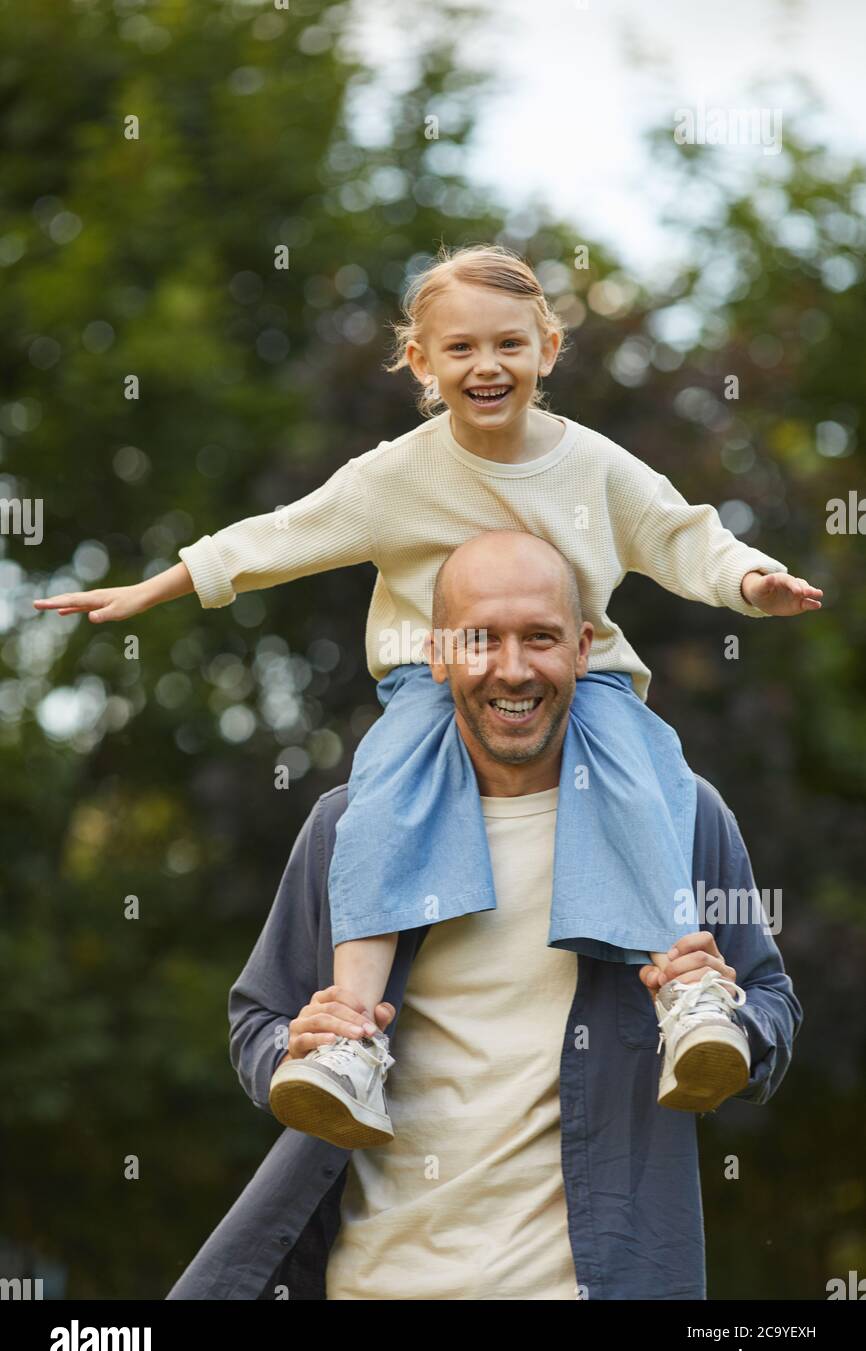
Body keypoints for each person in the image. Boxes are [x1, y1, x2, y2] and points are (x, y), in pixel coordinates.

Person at [33, 243, 821, 1138]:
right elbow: (279, 537)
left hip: (580, 667)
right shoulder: (394, 476)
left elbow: (684, 535)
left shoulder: (594, 466)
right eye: (461, 350)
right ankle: (351, 1040)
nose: (487, 367)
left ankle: (687, 999)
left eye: (509, 346)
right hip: (428, 670)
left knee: (648, 768)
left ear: (548, 349)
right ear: (421, 361)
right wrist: (156, 586)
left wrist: (751, 582)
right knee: (387, 792)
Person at [165, 531, 802, 1301]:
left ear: (582, 650)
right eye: (481, 640)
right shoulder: (351, 828)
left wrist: (728, 1011)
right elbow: (256, 1018)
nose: (512, 669)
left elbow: (773, 1005)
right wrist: (292, 1047)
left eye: (540, 638)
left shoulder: (680, 817)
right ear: (436, 655)